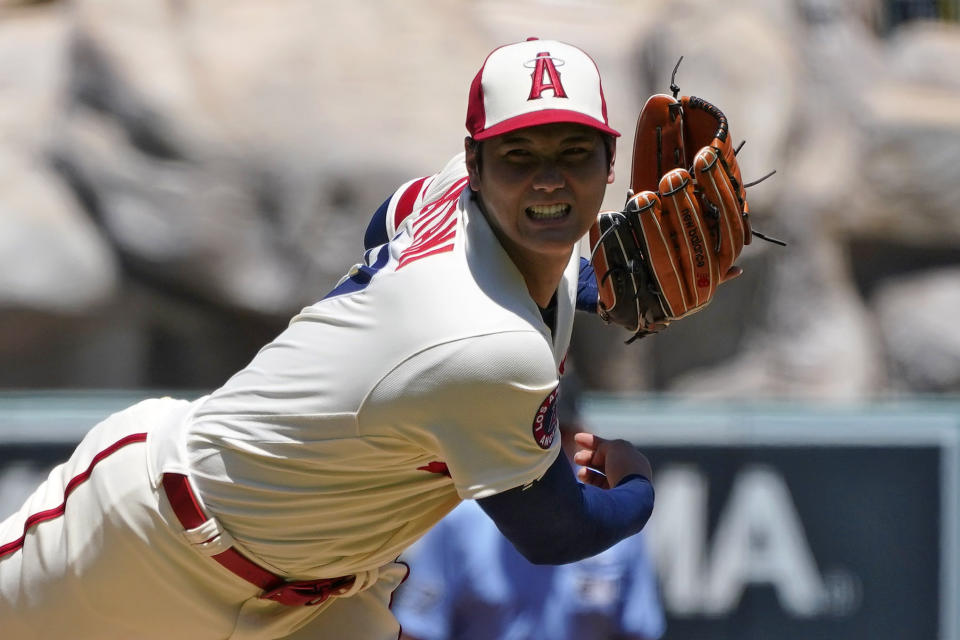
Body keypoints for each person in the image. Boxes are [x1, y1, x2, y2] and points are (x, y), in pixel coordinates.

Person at [0, 38, 654, 640]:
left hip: (322, 603)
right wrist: (637, 486)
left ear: (609, 163)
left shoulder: (452, 189)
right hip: (155, 535)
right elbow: (556, 532)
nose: (548, 178)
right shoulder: (491, 346)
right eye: (520, 155)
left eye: (573, 152)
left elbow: (384, 225)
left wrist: (595, 286)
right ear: (480, 165)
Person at [392, 371, 666, 640]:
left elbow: (636, 630)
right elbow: (419, 630)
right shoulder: (460, 517)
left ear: (578, 435)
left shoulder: (612, 521)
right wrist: (635, 481)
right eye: (537, 435)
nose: (548, 449)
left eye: (558, 433)